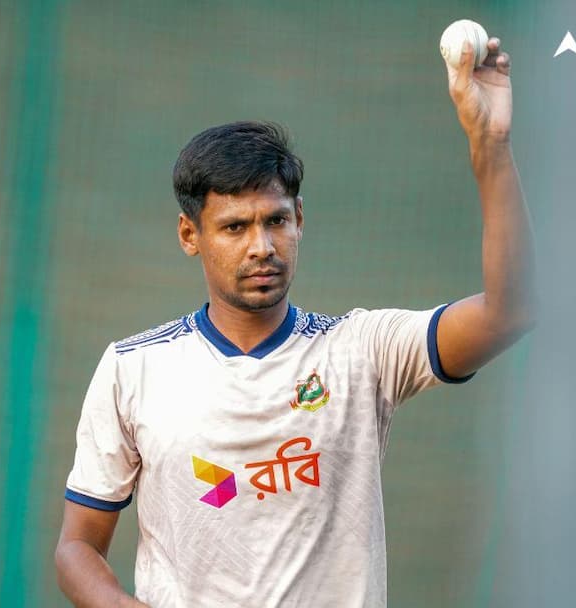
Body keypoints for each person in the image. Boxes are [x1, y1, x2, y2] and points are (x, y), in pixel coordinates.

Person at [55, 37, 533, 608]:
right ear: (190, 235)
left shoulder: (363, 351)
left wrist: (490, 143)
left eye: (276, 221)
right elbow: (77, 548)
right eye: (235, 227)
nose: (261, 246)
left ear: (299, 219)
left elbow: (510, 310)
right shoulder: (133, 368)